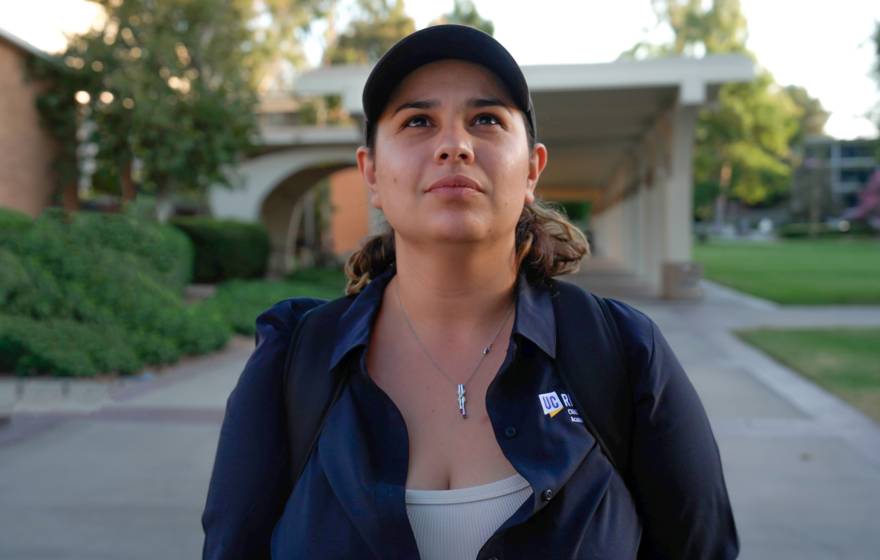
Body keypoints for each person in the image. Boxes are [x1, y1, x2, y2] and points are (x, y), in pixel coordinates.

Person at [202, 25, 739, 560]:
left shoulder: (623, 353)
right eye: (418, 121)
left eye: (486, 120)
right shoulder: (294, 363)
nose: (454, 145)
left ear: (531, 169)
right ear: (371, 174)